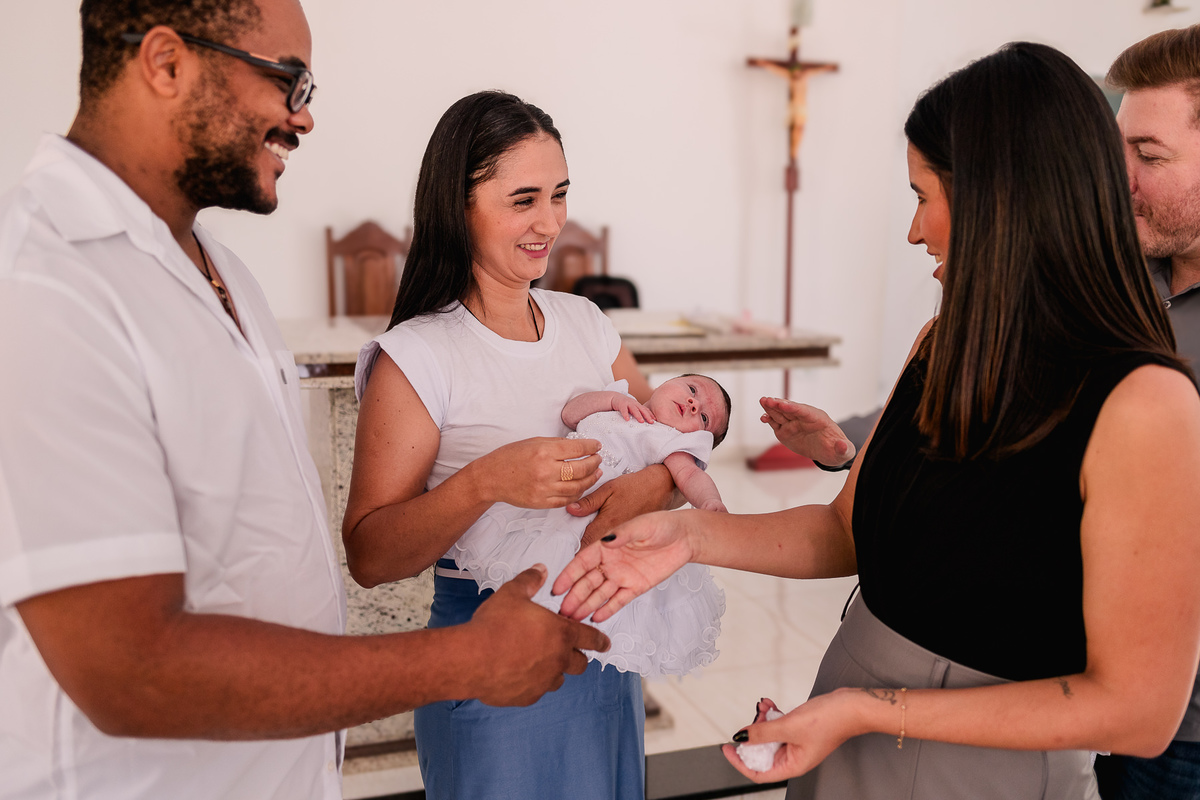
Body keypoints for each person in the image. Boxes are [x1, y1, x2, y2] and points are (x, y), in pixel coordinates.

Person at [556, 42, 1200, 799]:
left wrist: (869, 711)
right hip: (850, 731)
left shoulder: (1145, 403)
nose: (914, 230)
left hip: (972, 767)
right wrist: (688, 536)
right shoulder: (941, 344)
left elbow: (1138, 712)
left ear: (999, 199)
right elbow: (844, 531)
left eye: (924, 195)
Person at [0, 4, 609, 799]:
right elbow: (129, 672)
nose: (305, 115)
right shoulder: (44, 283)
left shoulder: (217, 271)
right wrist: (464, 661)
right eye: (288, 79)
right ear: (165, 62)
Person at [342, 90, 649, 800]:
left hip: (607, 648)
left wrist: (651, 486)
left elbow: (664, 440)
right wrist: (485, 482)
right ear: (460, 205)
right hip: (489, 662)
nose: (551, 223)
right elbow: (370, 555)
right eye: (524, 200)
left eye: (560, 194)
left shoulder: (588, 325)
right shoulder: (418, 356)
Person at [453, 374, 733, 677]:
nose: (693, 403)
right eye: (692, 389)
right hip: (556, 498)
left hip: (604, 518)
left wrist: (709, 503)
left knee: (586, 580)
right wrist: (612, 400)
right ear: (666, 382)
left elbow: (692, 478)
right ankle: (517, 628)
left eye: (703, 417)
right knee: (539, 558)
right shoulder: (618, 401)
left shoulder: (672, 443)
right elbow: (570, 413)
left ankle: (558, 637)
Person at [1091, 24, 1200, 800]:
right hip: (1096, 690)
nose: (1118, 178)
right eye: (1118, 149)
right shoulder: (1118, 284)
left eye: (1149, 156)